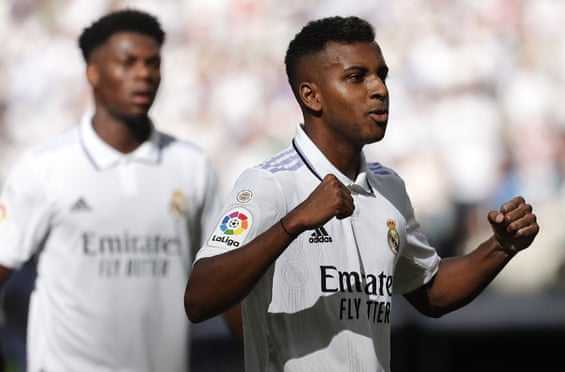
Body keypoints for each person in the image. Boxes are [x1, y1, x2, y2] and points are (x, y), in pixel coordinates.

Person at [184, 15, 539, 372]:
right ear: (311, 95)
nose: (379, 89)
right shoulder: (268, 184)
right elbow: (199, 299)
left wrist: (501, 246)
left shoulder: (389, 188)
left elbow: (432, 291)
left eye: (381, 74)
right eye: (356, 77)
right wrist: (292, 224)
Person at [0, 9, 241, 372]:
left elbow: (224, 278)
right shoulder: (43, 169)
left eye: (152, 63)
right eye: (127, 62)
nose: (143, 73)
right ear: (93, 72)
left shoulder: (191, 166)